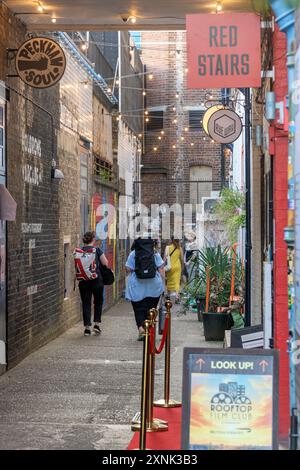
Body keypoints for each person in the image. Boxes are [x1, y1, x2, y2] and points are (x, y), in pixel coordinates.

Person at [125, 238, 165, 340]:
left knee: (138, 309)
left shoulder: (133, 254)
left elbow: (128, 269)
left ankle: (141, 330)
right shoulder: (155, 253)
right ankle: (149, 330)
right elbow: (161, 269)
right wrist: (163, 283)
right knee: (151, 309)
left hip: (137, 287)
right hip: (153, 287)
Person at [77, 231, 109, 336]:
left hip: (83, 281)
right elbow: (105, 263)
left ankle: (87, 328)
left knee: (86, 303)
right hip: (96, 280)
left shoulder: (79, 251)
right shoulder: (97, 250)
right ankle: (96, 325)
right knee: (98, 302)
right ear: (93, 239)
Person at [164, 237, 184, 302]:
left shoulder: (168, 247)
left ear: (171, 240)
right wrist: (182, 266)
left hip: (170, 266)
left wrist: (163, 266)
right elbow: (182, 259)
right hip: (178, 267)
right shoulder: (180, 248)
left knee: (169, 280)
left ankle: (168, 295)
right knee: (177, 282)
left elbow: (165, 257)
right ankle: (177, 296)